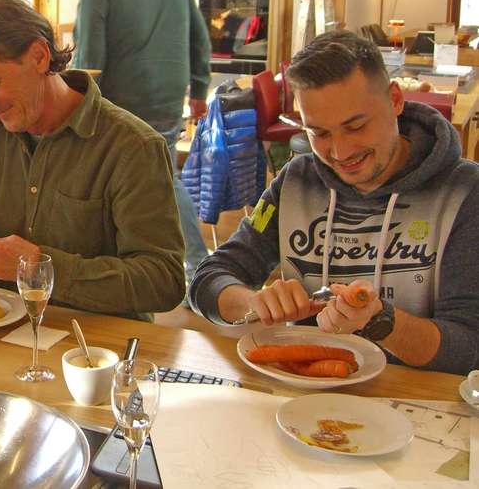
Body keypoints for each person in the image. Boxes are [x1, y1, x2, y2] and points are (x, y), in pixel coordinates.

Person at [189, 31, 479, 374]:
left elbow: (469, 347)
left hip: (415, 406)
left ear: (396, 100)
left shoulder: (465, 193)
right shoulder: (295, 182)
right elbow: (207, 280)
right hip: (300, 400)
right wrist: (252, 302)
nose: (340, 153)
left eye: (355, 127)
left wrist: (380, 322)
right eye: (320, 134)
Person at [0, 0, 186, 320]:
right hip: (8, 342)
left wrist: (40, 267)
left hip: (98, 355)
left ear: (40, 57)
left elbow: (163, 280)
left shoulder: (132, 147)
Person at [72, 0, 212, 292]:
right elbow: (199, 36)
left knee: (161, 178)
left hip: (123, 99)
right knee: (158, 174)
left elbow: (89, 56)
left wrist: (74, 100)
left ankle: (198, 267)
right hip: (168, 96)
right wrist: (199, 89)